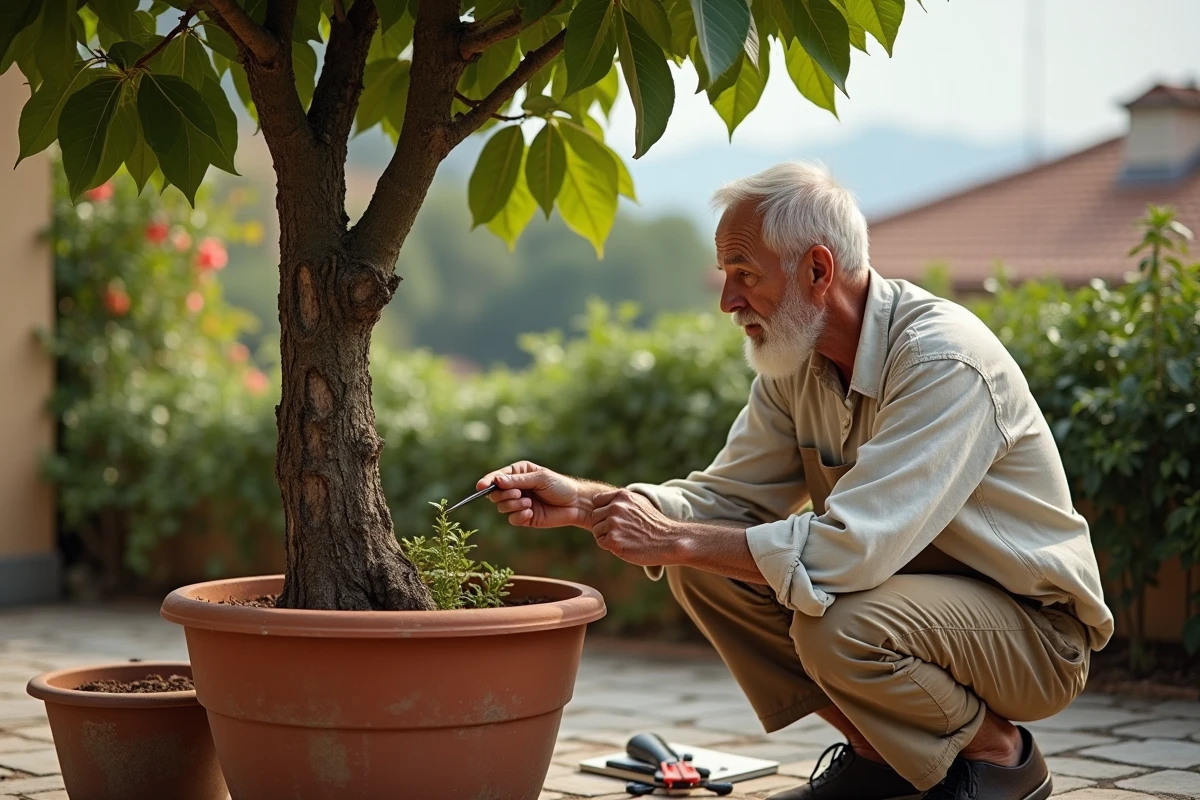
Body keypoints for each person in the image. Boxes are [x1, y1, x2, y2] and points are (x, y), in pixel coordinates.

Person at [477, 162, 1112, 800]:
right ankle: (880, 758)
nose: (727, 300)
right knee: (703, 566)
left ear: (817, 269)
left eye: (744, 274)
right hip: (908, 604)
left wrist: (677, 538)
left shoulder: (943, 360)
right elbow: (725, 500)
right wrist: (586, 502)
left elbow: (851, 549)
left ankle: (1002, 759)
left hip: (1034, 637)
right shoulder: (798, 364)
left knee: (835, 624)